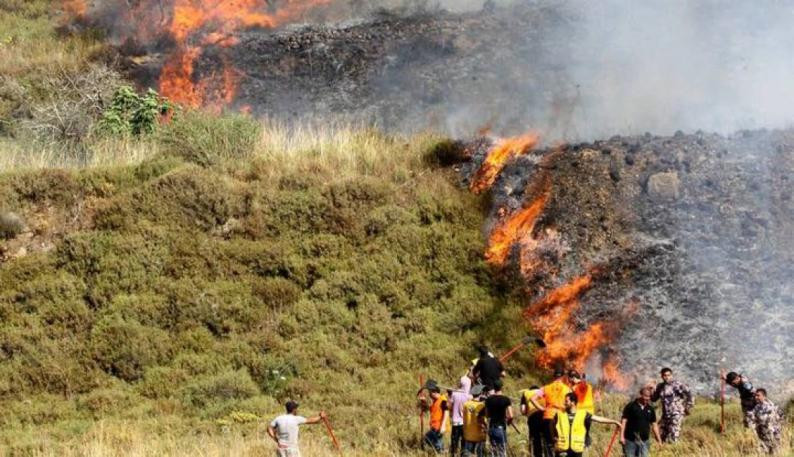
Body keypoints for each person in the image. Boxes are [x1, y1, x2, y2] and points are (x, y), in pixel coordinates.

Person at [552, 392, 622, 457]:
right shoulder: (559, 414)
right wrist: (554, 440)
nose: (565, 403)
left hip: (576, 449)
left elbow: (599, 419)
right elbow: (552, 427)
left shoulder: (583, 414)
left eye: (566, 401)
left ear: (573, 402)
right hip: (562, 448)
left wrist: (614, 421)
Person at [530, 367, 572, 457]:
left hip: (548, 416)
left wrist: (541, 408)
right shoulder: (567, 389)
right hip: (561, 418)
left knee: (549, 444)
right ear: (563, 377)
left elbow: (532, 398)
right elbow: (571, 404)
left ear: (554, 377)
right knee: (561, 443)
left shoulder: (546, 388)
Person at [650, 367, 693, 443]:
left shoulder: (677, 384)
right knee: (660, 434)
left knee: (674, 434)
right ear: (662, 376)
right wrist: (652, 389)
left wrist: (688, 406)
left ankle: (676, 451)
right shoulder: (660, 386)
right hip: (665, 414)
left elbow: (689, 393)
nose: (667, 377)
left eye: (668, 375)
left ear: (671, 375)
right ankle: (663, 451)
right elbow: (653, 399)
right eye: (664, 375)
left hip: (676, 413)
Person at [621, 387, 662, 457]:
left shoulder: (650, 409)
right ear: (640, 395)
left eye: (649, 397)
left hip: (645, 441)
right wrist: (621, 436)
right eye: (645, 396)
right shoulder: (631, 406)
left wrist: (659, 440)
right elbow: (624, 421)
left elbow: (654, 425)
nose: (647, 399)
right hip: (630, 441)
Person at [478, 379, 513, 457]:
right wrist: (509, 421)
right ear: (501, 387)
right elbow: (511, 415)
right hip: (501, 428)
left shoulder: (489, 400)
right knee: (501, 452)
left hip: (492, 428)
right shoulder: (506, 399)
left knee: (493, 451)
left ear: (494, 387)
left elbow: (486, 415)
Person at [750, 388, 784, 455]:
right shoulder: (757, 407)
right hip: (764, 434)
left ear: (764, 396)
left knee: (775, 453)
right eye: (755, 396)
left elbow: (766, 420)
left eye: (758, 395)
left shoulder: (770, 406)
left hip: (773, 434)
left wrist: (756, 422)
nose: (756, 397)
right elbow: (752, 417)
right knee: (765, 452)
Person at [450, 377, 474, 456]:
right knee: (464, 443)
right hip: (465, 423)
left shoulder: (454, 393)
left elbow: (450, 405)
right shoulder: (469, 396)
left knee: (454, 443)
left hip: (455, 422)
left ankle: (453, 454)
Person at [463, 385, 488, 457]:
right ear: (481, 393)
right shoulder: (482, 405)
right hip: (480, 435)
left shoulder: (466, 404)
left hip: (468, 434)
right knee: (480, 454)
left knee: (468, 454)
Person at [424, 385, 450, 452]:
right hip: (434, 426)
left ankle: (443, 451)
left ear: (434, 392)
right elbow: (433, 410)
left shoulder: (443, 400)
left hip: (439, 427)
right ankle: (442, 450)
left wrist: (443, 426)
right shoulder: (436, 401)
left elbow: (446, 412)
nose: (429, 395)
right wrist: (423, 402)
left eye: (430, 393)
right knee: (428, 438)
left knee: (437, 445)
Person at [521, 385, 545, 457]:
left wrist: (526, 413)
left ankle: (536, 454)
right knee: (545, 438)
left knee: (534, 438)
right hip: (544, 415)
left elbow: (523, 410)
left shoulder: (526, 393)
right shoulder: (542, 391)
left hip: (532, 417)